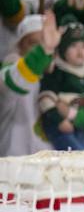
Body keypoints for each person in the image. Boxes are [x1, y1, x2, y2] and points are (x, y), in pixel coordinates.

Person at [37, 21, 84, 150]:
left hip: (79, 127)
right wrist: (59, 120)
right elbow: (46, 99)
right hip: (60, 127)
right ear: (62, 49)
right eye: (73, 46)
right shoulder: (57, 72)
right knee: (78, 157)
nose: (80, 52)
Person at [0, 11, 56, 157]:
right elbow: (15, 80)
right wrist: (43, 51)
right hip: (15, 165)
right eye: (34, 44)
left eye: (44, 41)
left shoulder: (58, 77)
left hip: (49, 165)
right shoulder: (10, 72)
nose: (40, 47)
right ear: (19, 46)